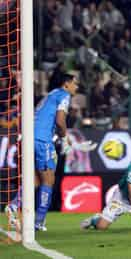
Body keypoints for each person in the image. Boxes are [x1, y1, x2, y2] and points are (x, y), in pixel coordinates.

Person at [5, 74, 79, 231]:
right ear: (66, 84)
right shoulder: (63, 95)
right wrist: (65, 138)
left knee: (36, 180)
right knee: (49, 180)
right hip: (41, 140)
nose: (76, 87)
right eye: (74, 83)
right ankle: (39, 222)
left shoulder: (50, 95)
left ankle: (13, 206)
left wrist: (62, 137)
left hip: (28, 137)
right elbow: (60, 121)